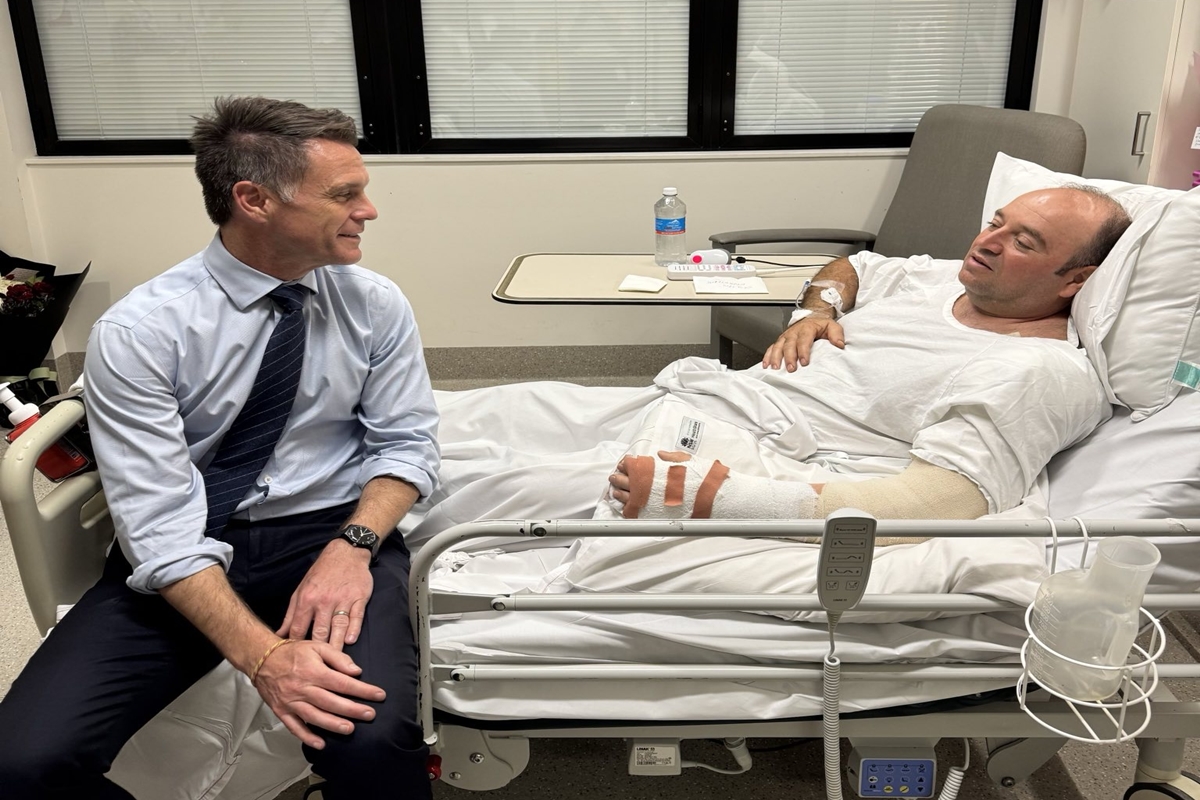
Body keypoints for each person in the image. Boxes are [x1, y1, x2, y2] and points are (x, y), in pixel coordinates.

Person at [0, 97, 439, 800]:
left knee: (374, 741)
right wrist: (264, 657)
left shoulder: (373, 303)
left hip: (331, 532)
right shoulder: (143, 332)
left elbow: (406, 444)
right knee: (21, 762)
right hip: (192, 539)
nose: (369, 210)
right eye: (344, 194)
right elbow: (159, 526)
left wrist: (353, 546)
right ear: (254, 200)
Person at [399, 185, 1130, 543]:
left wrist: (715, 498)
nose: (988, 242)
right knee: (487, 408)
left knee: (488, 488)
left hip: (748, 452)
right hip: (705, 399)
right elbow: (851, 265)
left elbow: (938, 506)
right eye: (996, 221)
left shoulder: (1040, 373)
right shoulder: (943, 279)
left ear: (1076, 280)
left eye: (1024, 241)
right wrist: (817, 309)